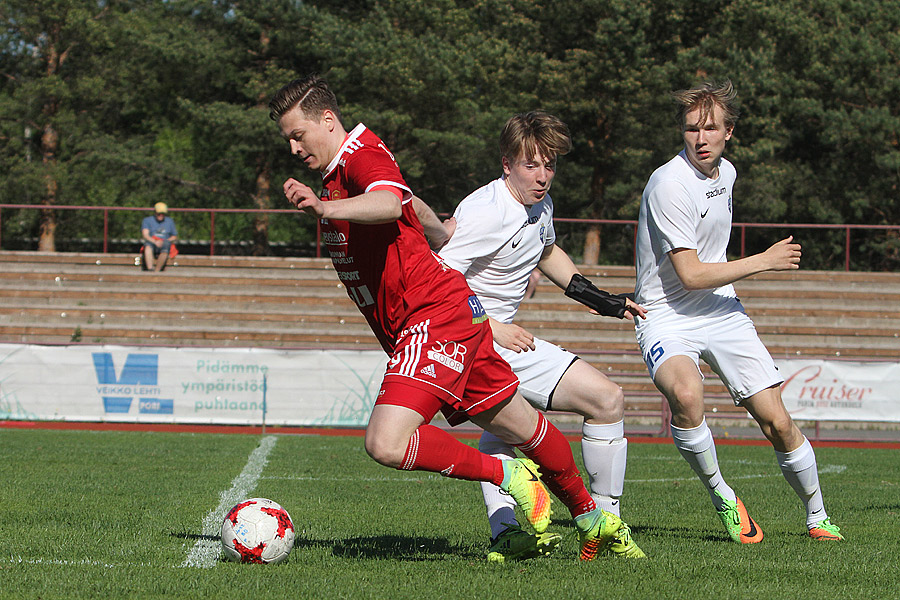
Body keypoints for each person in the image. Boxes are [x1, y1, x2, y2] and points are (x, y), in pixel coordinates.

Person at [268, 75, 636, 561]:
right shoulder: (343, 169)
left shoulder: (359, 156)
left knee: (385, 441)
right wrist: (438, 229)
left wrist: (325, 207)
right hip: (448, 315)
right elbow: (404, 200)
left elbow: (387, 199)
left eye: (299, 135)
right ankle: (593, 518)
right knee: (524, 427)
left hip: (432, 317)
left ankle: (505, 474)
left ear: (328, 121)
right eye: (288, 140)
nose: (294, 147)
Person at [633, 80, 843, 542]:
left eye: (710, 129)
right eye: (691, 130)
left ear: (730, 132)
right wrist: (764, 261)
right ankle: (724, 497)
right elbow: (688, 273)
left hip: (721, 308)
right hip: (664, 313)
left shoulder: (726, 173)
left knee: (778, 421)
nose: (700, 139)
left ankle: (818, 516)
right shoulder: (668, 183)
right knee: (687, 397)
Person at [436, 111, 648, 561]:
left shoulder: (539, 204)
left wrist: (602, 298)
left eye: (549, 165)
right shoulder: (486, 211)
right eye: (531, 165)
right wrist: (491, 326)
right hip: (471, 342)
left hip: (501, 341)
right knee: (586, 405)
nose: (543, 176)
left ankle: (584, 526)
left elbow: (547, 251)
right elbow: (437, 279)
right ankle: (584, 527)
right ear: (506, 164)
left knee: (602, 402)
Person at [141, 202, 178, 271]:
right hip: (152, 240)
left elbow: (174, 236)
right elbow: (145, 235)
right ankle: (150, 268)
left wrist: (164, 241)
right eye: (159, 214)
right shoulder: (147, 220)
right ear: (155, 212)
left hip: (165, 241)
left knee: (166, 246)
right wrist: (155, 241)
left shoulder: (170, 221)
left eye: (163, 214)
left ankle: (157, 271)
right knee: (148, 246)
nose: (161, 215)